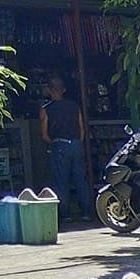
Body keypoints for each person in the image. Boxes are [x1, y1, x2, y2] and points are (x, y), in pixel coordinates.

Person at [38, 76, 87, 221]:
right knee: (80, 180)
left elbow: (45, 135)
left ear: (49, 90)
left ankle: (65, 215)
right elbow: (81, 128)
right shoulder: (74, 106)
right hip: (76, 144)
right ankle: (86, 212)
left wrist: (54, 144)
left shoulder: (45, 109)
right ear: (64, 90)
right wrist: (78, 142)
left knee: (61, 182)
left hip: (59, 145)